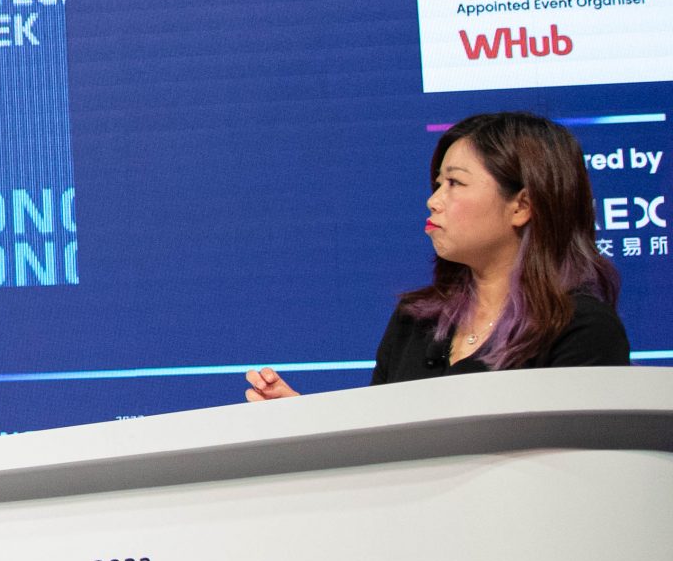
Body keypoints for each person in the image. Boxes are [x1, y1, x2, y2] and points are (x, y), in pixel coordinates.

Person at [247, 112, 630, 400]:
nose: (434, 201)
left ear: (522, 206)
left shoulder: (581, 328)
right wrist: (302, 419)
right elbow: (383, 449)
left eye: (455, 183)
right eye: (437, 184)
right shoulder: (416, 320)